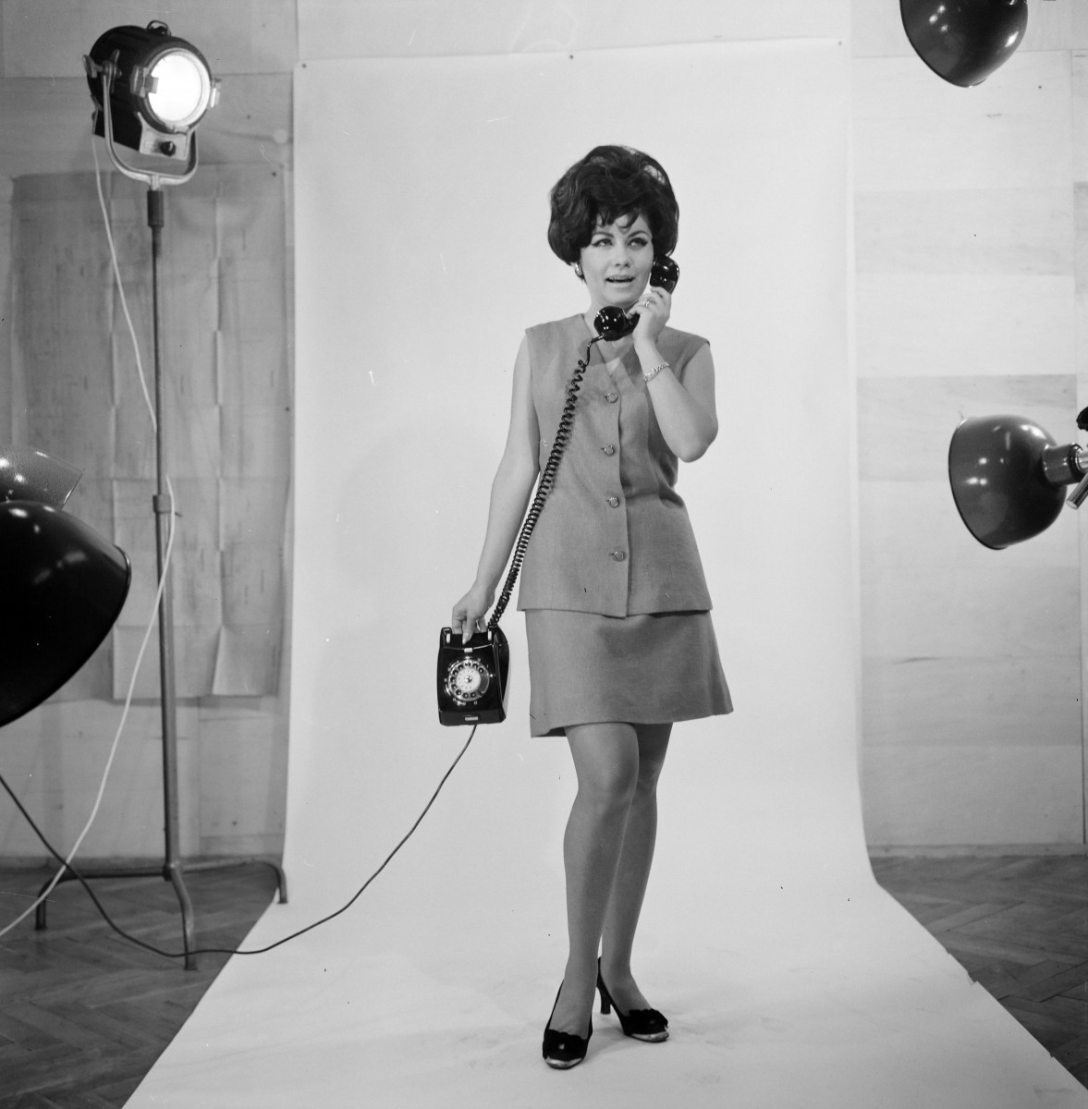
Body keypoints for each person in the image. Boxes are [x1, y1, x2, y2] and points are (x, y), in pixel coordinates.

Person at [450, 144, 731, 1069]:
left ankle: (622, 968)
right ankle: (578, 977)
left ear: (661, 256)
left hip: (663, 589)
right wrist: (481, 583)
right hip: (566, 588)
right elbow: (517, 466)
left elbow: (692, 440)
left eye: (637, 240)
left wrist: (647, 344)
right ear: (576, 251)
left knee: (641, 784)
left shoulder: (687, 352)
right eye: (603, 239)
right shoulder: (541, 347)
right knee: (607, 775)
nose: (619, 256)